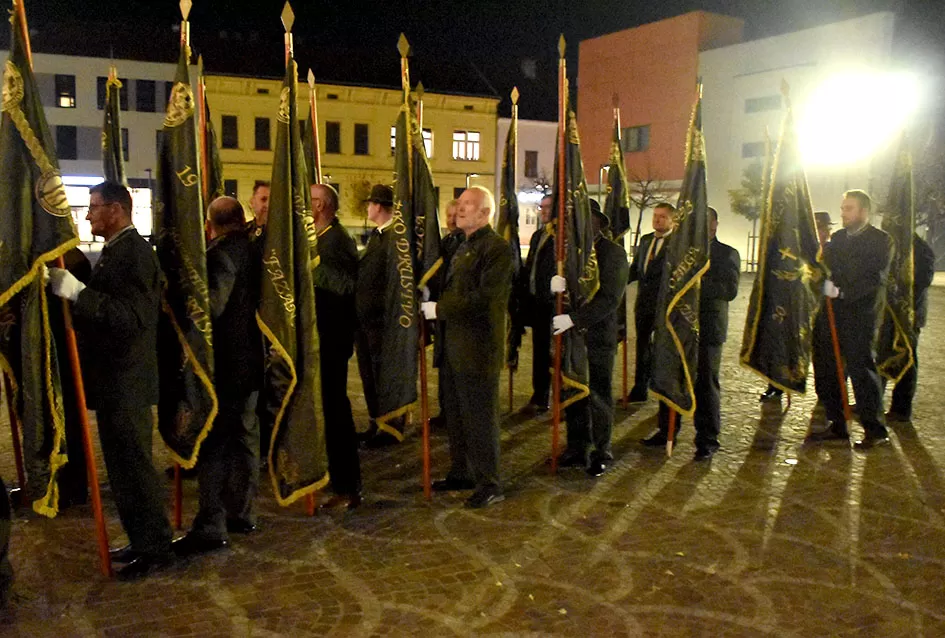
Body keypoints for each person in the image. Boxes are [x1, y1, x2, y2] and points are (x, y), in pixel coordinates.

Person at [47, 181, 174, 580]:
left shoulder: (134, 254)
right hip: (115, 379)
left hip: (128, 379)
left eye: (94, 207)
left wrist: (78, 294)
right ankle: (142, 540)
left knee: (135, 468)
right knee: (122, 469)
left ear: (117, 210)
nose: (88, 215)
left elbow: (131, 318)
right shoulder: (117, 251)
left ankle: (156, 548)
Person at [173, 197, 263, 557]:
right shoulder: (255, 249)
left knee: (217, 442)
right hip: (250, 360)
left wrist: (182, 293)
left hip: (225, 364)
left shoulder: (223, 254)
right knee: (244, 439)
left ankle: (212, 523)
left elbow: (212, 305)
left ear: (210, 223)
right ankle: (242, 512)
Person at [423, 186, 514, 508]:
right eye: (459, 204)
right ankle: (462, 470)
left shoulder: (497, 249)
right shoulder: (458, 245)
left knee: (480, 418)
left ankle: (491, 482)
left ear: (485, 213)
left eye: (468, 205)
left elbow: (486, 298)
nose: (460, 209)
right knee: (457, 416)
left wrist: (440, 310)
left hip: (477, 348)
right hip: (452, 347)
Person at [808, 190, 893, 449]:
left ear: (864, 211)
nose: (843, 213)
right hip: (833, 315)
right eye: (843, 208)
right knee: (829, 371)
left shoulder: (881, 241)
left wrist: (844, 292)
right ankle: (837, 423)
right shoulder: (838, 239)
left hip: (860, 316)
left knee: (861, 372)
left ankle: (875, 429)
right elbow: (826, 268)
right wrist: (823, 283)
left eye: (849, 208)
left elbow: (875, 277)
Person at [550, 200, 629, 476]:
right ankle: (576, 445)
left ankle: (601, 448)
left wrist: (575, 319)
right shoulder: (569, 254)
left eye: (586, 219)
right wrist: (553, 288)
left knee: (598, 392)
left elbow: (609, 299)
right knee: (574, 389)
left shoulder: (613, 253)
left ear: (598, 223)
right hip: (571, 336)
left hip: (597, 335)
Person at [310, 183, 362, 509]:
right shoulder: (320, 237)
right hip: (319, 336)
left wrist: (312, 266)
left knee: (336, 411)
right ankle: (333, 475)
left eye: (311, 200)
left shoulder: (338, 240)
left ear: (322, 206)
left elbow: (347, 284)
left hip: (333, 338)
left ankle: (348, 485)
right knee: (325, 412)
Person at [760, 210, 835, 403]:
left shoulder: (833, 250)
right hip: (798, 308)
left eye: (824, 228)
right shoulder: (801, 252)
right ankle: (777, 386)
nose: (822, 233)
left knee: (825, 355)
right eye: (818, 228)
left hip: (826, 311)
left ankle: (827, 394)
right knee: (784, 346)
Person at [355, 184, 405, 447]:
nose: (368, 208)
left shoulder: (395, 238)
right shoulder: (378, 235)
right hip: (367, 321)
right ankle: (376, 422)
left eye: (370, 204)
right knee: (370, 375)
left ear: (378, 207)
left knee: (384, 376)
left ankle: (390, 426)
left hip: (382, 322)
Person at [627, 202, 675, 403]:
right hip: (644, 304)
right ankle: (640, 386)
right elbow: (637, 269)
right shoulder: (646, 241)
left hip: (665, 305)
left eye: (662, 216)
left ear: (672, 219)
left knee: (663, 347)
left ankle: (661, 386)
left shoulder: (677, 243)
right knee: (642, 345)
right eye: (655, 216)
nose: (657, 220)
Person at [884, 233, 935, 423]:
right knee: (880, 354)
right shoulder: (889, 242)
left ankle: (901, 408)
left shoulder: (921, 249)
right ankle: (874, 403)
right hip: (888, 313)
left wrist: (900, 294)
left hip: (909, 314)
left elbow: (922, 280)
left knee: (908, 358)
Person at [519, 194, 555, 414]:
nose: (543, 211)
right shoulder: (538, 235)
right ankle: (540, 395)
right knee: (540, 352)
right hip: (537, 302)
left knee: (555, 353)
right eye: (541, 207)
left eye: (548, 207)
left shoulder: (561, 237)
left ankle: (560, 396)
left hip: (554, 304)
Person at [430, 199, 464, 430]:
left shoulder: (464, 244)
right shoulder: (446, 241)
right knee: (443, 366)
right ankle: (446, 410)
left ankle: (456, 413)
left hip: (456, 315)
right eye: (448, 215)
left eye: (456, 215)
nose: (451, 220)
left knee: (455, 368)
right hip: (442, 312)